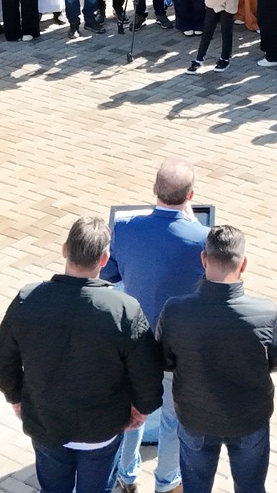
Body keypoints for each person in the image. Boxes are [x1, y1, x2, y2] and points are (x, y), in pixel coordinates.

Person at [0, 216, 165, 493]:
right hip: (102, 429)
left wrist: (16, 397)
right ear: (105, 259)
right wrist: (141, 408)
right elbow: (146, 370)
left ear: (64, 249)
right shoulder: (124, 309)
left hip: (47, 424)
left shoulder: (28, 299)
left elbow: (1, 360)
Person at [101, 160, 210, 493]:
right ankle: (166, 482)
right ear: (191, 195)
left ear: (154, 190)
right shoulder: (205, 239)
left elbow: (109, 276)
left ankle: (126, 475)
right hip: (178, 348)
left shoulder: (124, 228)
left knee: (133, 411)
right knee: (172, 419)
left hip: (135, 342)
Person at [156, 225, 277, 493]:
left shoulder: (176, 310)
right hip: (249, 419)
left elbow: (164, 361)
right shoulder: (265, 313)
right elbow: (276, 362)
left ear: (204, 259)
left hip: (195, 418)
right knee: (251, 487)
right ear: (244, 264)